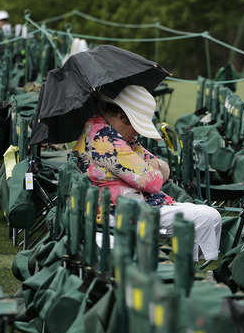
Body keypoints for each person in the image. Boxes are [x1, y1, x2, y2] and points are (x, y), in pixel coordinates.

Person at [74, 85, 222, 261]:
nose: (137, 132)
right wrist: (152, 167)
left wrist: (151, 166)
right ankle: (191, 271)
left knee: (210, 216)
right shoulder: (105, 138)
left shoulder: (112, 132)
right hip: (119, 212)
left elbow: (164, 170)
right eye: (136, 126)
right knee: (207, 217)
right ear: (122, 116)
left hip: (132, 205)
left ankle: (192, 267)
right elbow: (153, 181)